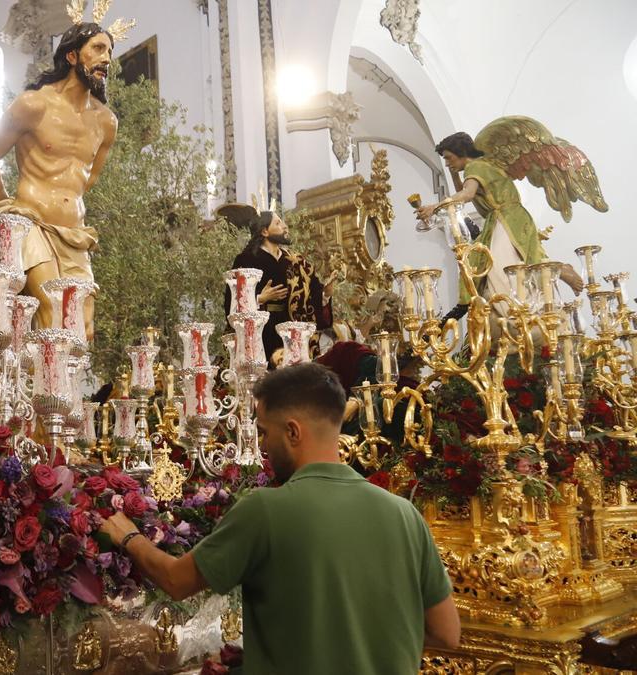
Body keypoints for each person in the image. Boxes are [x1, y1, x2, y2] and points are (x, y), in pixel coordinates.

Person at [101, 363, 460, 673]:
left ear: (292, 431)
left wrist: (129, 537)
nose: (263, 445)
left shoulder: (266, 510)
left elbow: (177, 581)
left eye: (264, 432)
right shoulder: (405, 514)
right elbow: (447, 633)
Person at [0, 21, 118, 340]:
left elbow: (87, 180)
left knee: (83, 329)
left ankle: (57, 390)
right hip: (32, 227)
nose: (106, 58)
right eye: (97, 48)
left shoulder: (105, 122)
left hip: (74, 234)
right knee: (53, 315)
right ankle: (46, 390)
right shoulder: (33, 105)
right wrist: (8, 208)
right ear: (71, 56)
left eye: (109, 50)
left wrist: (66, 205)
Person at [416, 132, 582, 306]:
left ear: (462, 152)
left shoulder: (476, 166)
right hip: (504, 218)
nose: (447, 163)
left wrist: (433, 208)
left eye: (449, 158)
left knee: (498, 267)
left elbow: (467, 194)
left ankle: (552, 277)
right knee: (520, 261)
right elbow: (465, 190)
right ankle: (527, 297)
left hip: (507, 218)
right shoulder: (478, 167)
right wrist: (453, 173)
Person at [221, 203, 334, 363]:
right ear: (264, 231)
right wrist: (260, 298)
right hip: (261, 335)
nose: (285, 227)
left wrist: (325, 294)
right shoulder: (246, 260)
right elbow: (231, 304)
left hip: (290, 334)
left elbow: (313, 295)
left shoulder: (296, 262)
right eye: (278, 223)